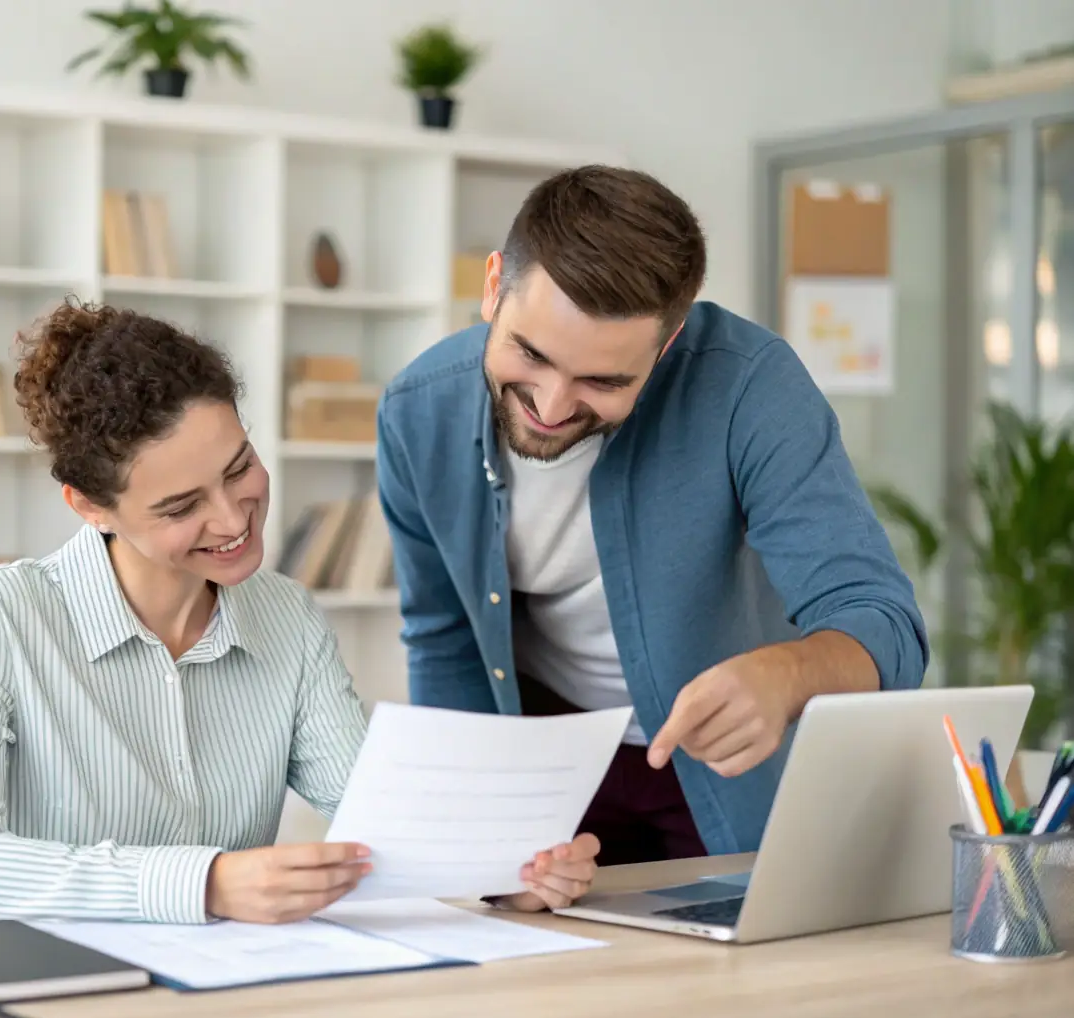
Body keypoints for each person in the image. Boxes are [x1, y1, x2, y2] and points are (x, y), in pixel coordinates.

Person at [0, 300, 600, 925]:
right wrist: (206, 883)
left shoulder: (285, 616)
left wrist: (506, 874)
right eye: (180, 506)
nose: (233, 519)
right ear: (90, 506)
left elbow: (382, 816)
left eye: (238, 468)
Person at [376, 165, 929, 865]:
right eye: (530, 354)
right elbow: (444, 640)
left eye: (601, 381)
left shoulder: (751, 388)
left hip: (723, 776)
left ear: (664, 347)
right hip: (550, 766)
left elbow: (882, 622)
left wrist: (787, 675)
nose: (549, 407)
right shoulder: (414, 411)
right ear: (493, 286)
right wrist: (476, 837)